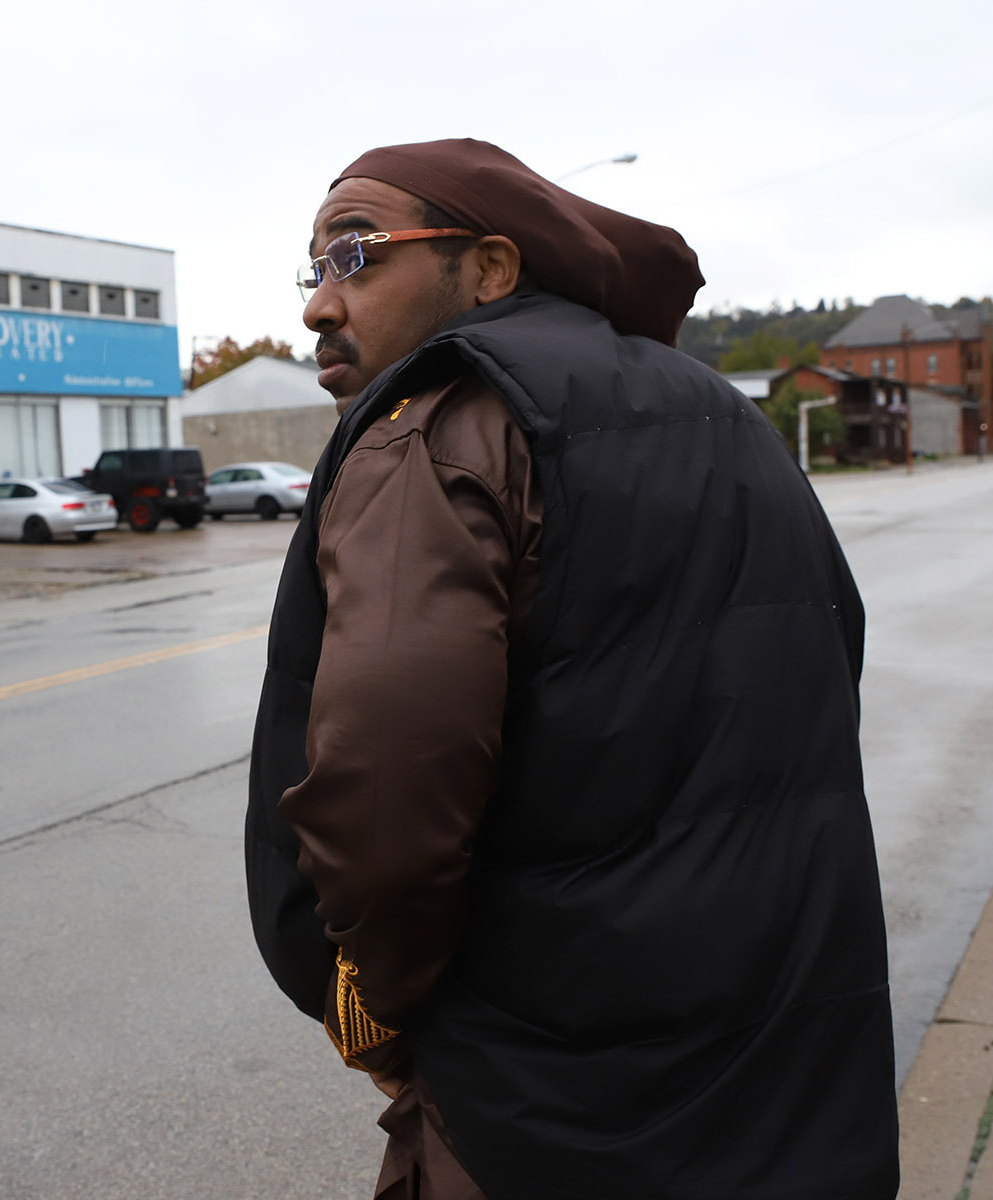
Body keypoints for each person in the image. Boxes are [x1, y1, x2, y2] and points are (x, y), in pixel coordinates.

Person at [244, 139, 898, 1199]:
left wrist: (369, 995)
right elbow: (824, 674)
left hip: (542, 1097)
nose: (321, 304)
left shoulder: (440, 424)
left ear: (491, 270)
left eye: (354, 255)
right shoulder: (726, 417)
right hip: (783, 1066)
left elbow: (389, 784)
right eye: (312, 271)